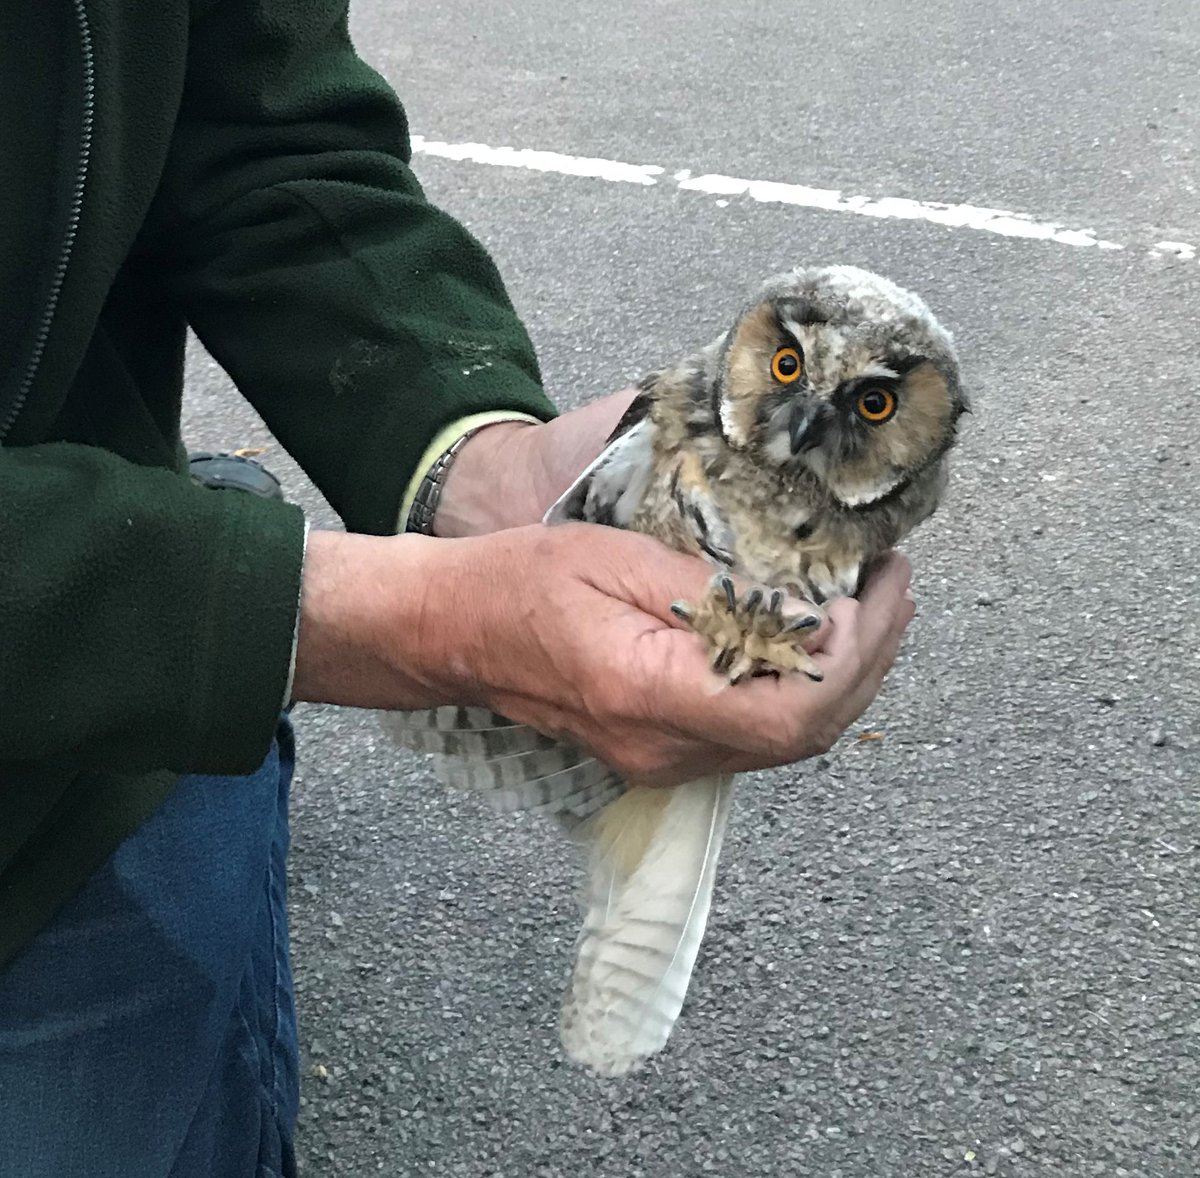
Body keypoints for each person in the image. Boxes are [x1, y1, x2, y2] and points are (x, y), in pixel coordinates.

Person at [0, 2, 915, 1175]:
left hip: (84, 778)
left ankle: (195, 563)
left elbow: (261, 126)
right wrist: (295, 609)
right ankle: (210, 552)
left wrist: (480, 455)